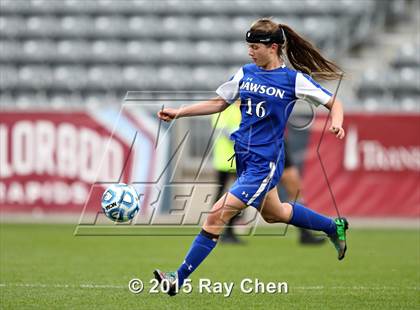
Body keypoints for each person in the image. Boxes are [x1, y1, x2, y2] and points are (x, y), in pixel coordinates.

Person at [155, 18, 348, 296]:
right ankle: (334, 226)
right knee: (275, 213)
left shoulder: (293, 80)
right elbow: (219, 103)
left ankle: (178, 278)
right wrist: (179, 112)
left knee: (215, 216)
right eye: (249, 46)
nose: (250, 52)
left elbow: (334, 102)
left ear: (272, 48)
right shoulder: (245, 73)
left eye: (255, 46)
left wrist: (336, 122)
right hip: (244, 160)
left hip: (264, 164)